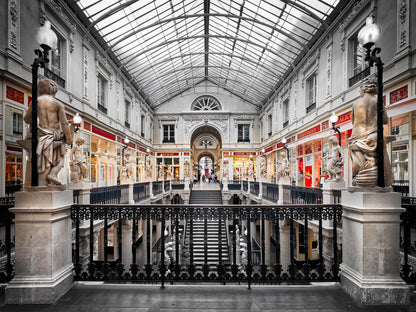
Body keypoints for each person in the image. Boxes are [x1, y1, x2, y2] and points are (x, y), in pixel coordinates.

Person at [23, 78, 72, 186]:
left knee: (43, 159)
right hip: (55, 136)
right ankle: (53, 174)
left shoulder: (35, 102)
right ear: (54, 90)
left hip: (41, 135)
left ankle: (48, 178)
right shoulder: (58, 104)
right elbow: (64, 123)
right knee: (60, 158)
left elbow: (27, 118)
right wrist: (68, 139)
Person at [349, 77, 392, 187]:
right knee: (376, 160)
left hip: (357, 138)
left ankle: (361, 181)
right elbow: (385, 120)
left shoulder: (355, 103)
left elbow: (353, 121)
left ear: (362, 89)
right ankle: (381, 183)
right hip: (373, 135)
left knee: (360, 166)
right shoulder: (377, 102)